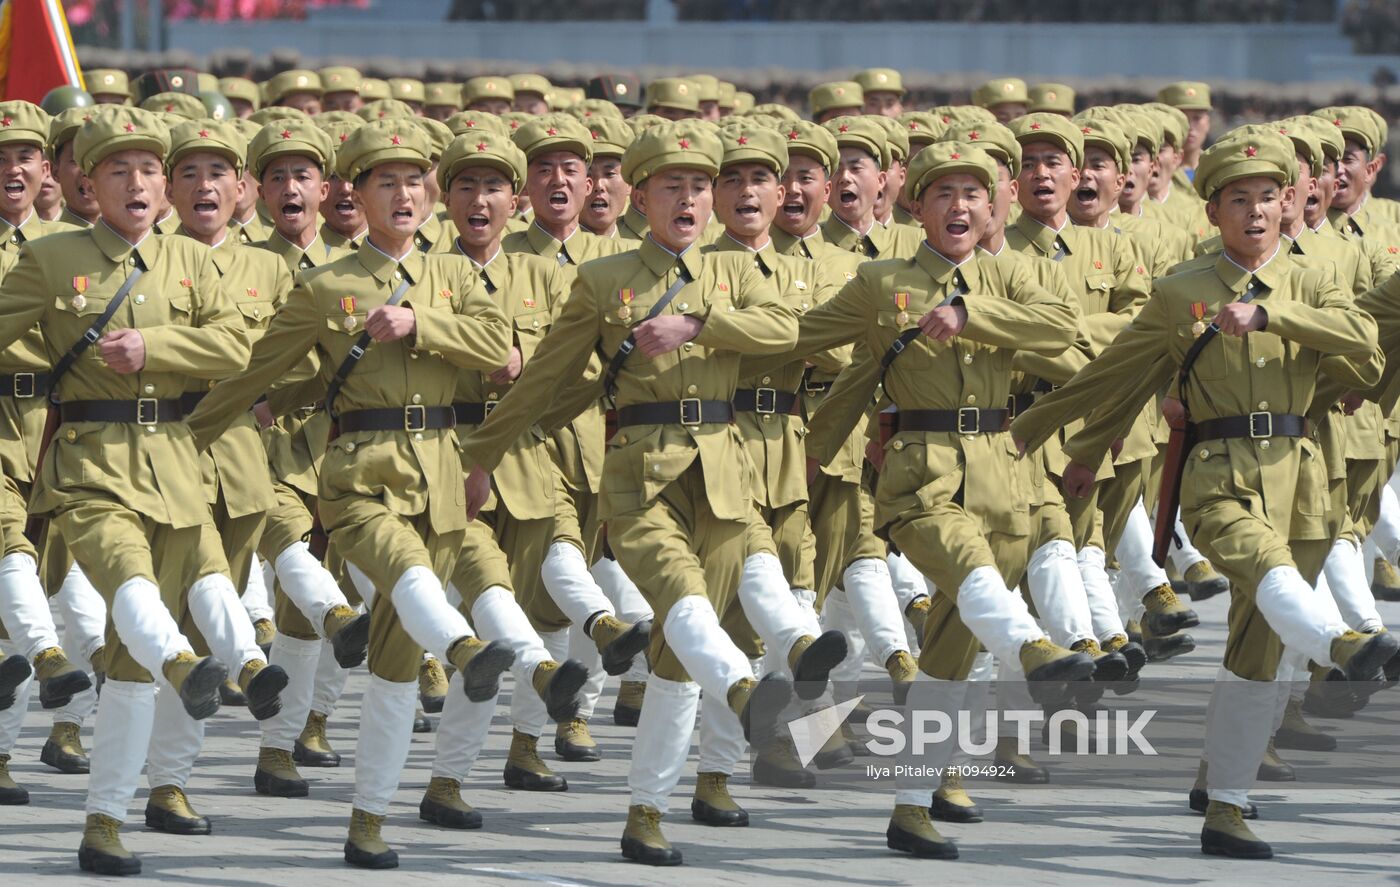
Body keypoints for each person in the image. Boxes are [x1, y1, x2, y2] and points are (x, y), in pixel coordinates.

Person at [1012, 129, 1396, 860]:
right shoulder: (1180, 292)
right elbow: (1115, 378)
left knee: (1255, 647)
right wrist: (1046, 438)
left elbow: (1368, 350)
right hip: (1219, 470)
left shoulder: (1315, 280)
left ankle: (1225, 802)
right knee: (1263, 569)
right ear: (1213, 211)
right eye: (1237, 200)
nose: (1254, 213)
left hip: (1303, 476)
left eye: (1267, 199)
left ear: (1289, 203)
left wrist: (1274, 314)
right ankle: (1340, 643)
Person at [459, 121, 803, 866]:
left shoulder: (735, 271)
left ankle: (647, 809)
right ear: (639, 197)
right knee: (678, 601)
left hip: (725, 476)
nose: (688, 199)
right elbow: (546, 376)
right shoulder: (601, 278)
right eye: (671, 186)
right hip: (640, 475)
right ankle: (745, 695)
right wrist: (480, 456)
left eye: (699, 186)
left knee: (683, 657)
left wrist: (699, 326)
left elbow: (784, 331)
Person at [184, 118, 517, 869]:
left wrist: (418, 322)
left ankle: (367, 818)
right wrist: (188, 436)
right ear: (355, 195)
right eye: (383, 182)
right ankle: (464, 648)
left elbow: (499, 350)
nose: (402, 195)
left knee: (396, 672)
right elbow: (253, 371)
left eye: (413, 181)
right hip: (359, 475)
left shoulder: (459, 276)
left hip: (439, 473)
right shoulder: (324, 285)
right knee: (405, 568)